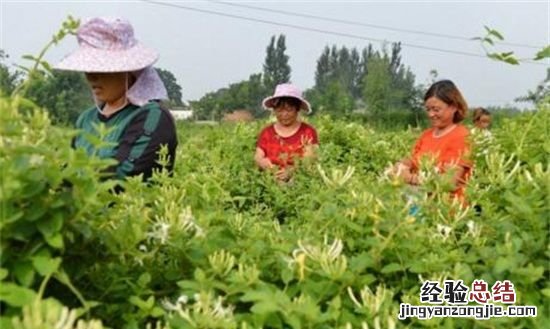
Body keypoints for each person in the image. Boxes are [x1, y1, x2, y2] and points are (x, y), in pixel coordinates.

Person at [54, 17, 177, 181]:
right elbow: (67, 167)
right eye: (88, 68)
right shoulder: (86, 119)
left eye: (101, 69)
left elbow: (123, 176)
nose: (91, 77)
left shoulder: (152, 118)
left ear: (129, 70)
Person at [390, 80, 472, 201]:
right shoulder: (427, 135)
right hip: (420, 201)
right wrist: (399, 166)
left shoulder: (462, 136)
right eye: (428, 109)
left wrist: (411, 178)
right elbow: (411, 160)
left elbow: (449, 182)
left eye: (436, 109)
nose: (431, 114)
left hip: (446, 209)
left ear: (454, 107)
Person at [255, 83, 318, 182]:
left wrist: (291, 171)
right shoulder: (267, 132)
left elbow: (309, 160)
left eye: (289, 110)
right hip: (270, 180)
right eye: (279, 110)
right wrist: (263, 163)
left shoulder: (307, 131)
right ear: (274, 111)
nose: (284, 114)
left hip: (299, 181)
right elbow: (258, 156)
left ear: (297, 110)